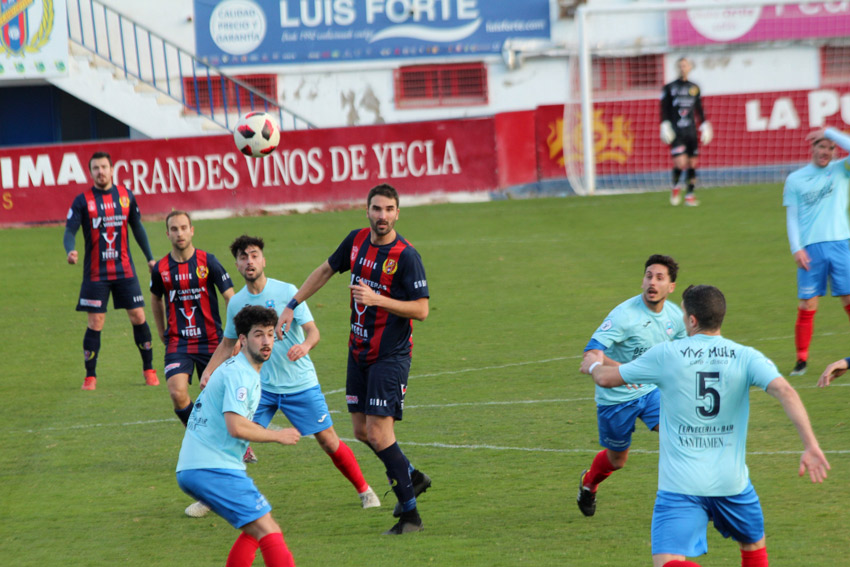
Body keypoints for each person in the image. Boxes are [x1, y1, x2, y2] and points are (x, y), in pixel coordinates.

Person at [581, 284, 830, 567]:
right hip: (732, 483)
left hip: (680, 485)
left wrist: (592, 364)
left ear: (692, 320)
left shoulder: (667, 355)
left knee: (667, 561)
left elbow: (606, 379)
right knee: (753, 545)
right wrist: (810, 445)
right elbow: (785, 391)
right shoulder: (745, 356)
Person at [276, 183, 431, 535]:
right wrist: (292, 304)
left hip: (389, 356)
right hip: (357, 350)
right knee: (361, 431)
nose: (382, 215)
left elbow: (421, 310)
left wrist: (378, 300)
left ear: (397, 213)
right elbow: (326, 270)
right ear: (367, 210)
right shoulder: (356, 240)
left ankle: (411, 516)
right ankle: (411, 476)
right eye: (376, 208)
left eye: (389, 209)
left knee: (379, 432)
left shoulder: (406, 256)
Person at [196, 234, 380, 519]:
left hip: (299, 384)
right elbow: (226, 343)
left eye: (254, 255)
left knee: (329, 441)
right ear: (237, 264)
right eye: (243, 257)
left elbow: (313, 332)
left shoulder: (288, 292)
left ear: (263, 259)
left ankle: (365, 489)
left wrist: (304, 347)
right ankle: (209, 498)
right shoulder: (236, 303)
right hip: (261, 387)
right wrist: (208, 371)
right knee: (230, 438)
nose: (250, 261)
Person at [176, 305, 301, 567]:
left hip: (200, 467)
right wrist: (277, 435)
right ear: (243, 339)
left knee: (253, 531)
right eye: (258, 334)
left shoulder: (241, 369)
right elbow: (236, 426)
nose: (266, 341)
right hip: (212, 468)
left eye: (270, 334)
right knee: (268, 529)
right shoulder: (240, 375)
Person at [577, 254, 687, 517]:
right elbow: (593, 352)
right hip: (615, 398)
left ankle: (688, 500)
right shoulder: (624, 315)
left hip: (652, 392)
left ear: (670, 287)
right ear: (642, 281)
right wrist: (605, 368)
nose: (652, 282)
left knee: (679, 433)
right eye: (649, 276)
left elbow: (687, 350)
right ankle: (589, 483)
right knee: (617, 460)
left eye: (660, 278)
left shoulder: (676, 316)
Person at [64, 151, 159, 390]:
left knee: (138, 316)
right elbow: (69, 230)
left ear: (112, 169)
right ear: (91, 172)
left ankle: (149, 369)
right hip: (96, 273)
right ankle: (90, 376)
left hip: (124, 270)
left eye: (104, 167)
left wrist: (149, 258)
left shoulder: (126, 196)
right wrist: (70, 250)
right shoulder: (83, 200)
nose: (100, 172)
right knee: (96, 322)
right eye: (95, 168)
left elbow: (137, 227)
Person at [150, 210, 234, 426]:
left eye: (184, 228)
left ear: (192, 231)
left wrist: (234, 336)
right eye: (174, 229)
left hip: (212, 341)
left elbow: (230, 298)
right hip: (179, 342)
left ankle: (241, 442)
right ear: (167, 234)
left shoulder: (208, 262)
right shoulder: (160, 268)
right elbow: (155, 299)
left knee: (224, 397)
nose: (180, 233)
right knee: (177, 394)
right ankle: (199, 435)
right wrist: (162, 333)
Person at [783, 127, 850, 377]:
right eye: (822, 146)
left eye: (830, 148)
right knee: (807, 304)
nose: (826, 152)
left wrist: (830, 132)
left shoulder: (842, 170)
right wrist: (796, 248)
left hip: (841, 244)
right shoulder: (795, 179)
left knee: (849, 300)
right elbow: (792, 217)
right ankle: (801, 361)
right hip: (811, 249)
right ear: (812, 148)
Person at [660, 57, 712, 207]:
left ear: (689, 67)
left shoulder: (694, 87)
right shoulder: (670, 87)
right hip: (677, 131)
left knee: (692, 163)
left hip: (691, 131)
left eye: (685, 65)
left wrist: (705, 124)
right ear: (678, 68)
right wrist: (664, 124)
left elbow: (699, 109)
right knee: (680, 162)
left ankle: (690, 195)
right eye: (680, 66)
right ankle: (676, 186)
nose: (683, 68)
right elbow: (664, 108)